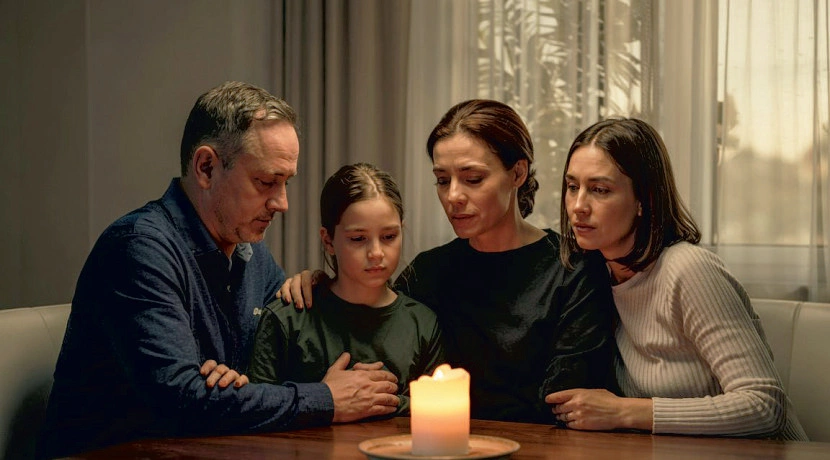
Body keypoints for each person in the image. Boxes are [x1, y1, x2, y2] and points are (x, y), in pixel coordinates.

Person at [38, 81, 400, 458]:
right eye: (266, 182)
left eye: (285, 183)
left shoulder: (250, 250)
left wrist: (321, 289)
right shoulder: (137, 248)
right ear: (206, 167)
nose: (282, 203)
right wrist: (324, 399)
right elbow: (184, 402)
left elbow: (285, 365)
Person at [280, 99, 615, 424]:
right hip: (439, 443)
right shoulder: (429, 271)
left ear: (518, 173)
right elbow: (374, 333)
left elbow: (568, 399)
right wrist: (324, 282)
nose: (453, 196)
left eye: (473, 179)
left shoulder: (572, 268)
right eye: (443, 180)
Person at [545, 117, 808, 440]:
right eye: (573, 187)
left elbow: (765, 406)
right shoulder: (595, 275)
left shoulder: (689, 269)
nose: (578, 206)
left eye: (600, 190)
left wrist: (622, 411)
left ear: (644, 200)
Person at [248, 163, 445, 415]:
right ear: (328, 240)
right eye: (358, 239)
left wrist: (380, 401)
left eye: (389, 236)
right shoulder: (288, 318)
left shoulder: (422, 323)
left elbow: (439, 412)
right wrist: (323, 397)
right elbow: (257, 411)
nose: (376, 253)